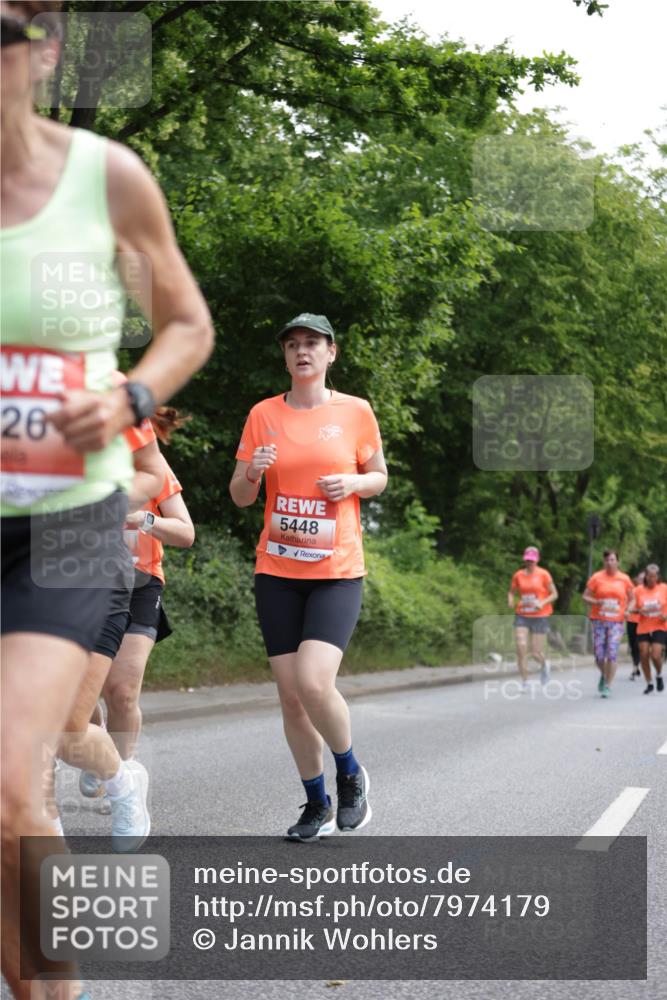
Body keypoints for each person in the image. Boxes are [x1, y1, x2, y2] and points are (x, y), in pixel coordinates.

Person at [0, 2, 214, 996]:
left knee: (9, 786)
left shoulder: (104, 177)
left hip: (68, 525)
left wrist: (131, 392)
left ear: (42, 47)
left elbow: (185, 323)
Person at [229, 313, 387, 842]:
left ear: (330, 353)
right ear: (286, 356)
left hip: (336, 571)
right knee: (291, 697)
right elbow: (240, 495)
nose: (302, 352)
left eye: (312, 344)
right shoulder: (262, 415)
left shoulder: (355, 412)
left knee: (315, 681)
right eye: (293, 344)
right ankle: (315, 802)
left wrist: (354, 481)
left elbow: (380, 477)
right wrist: (253, 470)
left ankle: (349, 775)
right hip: (277, 570)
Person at [582, 550, 634, 698]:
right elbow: (585, 597)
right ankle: (605, 675)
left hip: (616, 621)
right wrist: (596, 601)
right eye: (607, 560)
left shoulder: (624, 579)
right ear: (604, 562)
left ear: (618, 562)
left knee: (611, 653)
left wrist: (628, 610)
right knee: (599, 656)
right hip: (599, 620)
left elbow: (633, 599)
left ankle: (607, 685)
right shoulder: (596, 577)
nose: (610, 563)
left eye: (612, 560)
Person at [507, 546, 558, 689]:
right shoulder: (518, 575)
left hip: (540, 616)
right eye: (528, 560)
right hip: (522, 614)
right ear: (524, 559)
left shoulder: (544, 574)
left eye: (532, 560)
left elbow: (554, 594)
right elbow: (511, 592)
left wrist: (541, 602)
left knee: (535, 652)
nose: (530, 563)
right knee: (521, 646)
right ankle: (525, 681)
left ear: (538, 560)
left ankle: (544, 665)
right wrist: (511, 600)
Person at [627, 564, 667, 694]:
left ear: (658, 577)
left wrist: (665, 615)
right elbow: (632, 606)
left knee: (655, 655)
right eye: (649, 576)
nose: (652, 579)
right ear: (646, 576)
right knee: (643, 654)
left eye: (654, 576)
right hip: (644, 626)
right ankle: (649, 683)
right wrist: (636, 610)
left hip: (659, 625)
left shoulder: (664, 588)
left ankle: (659, 674)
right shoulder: (638, 590)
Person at [626, 571, 645, 679]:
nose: (642, 581)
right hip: (632, 621)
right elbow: (626, 605)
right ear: (636, 580)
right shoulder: (632, 592)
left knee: (640, 645)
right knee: (633, 645)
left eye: (644, 579)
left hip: (644, 622)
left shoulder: (648, 592)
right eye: (640, 579)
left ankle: (635, 666)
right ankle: (636, 665)